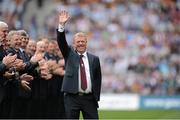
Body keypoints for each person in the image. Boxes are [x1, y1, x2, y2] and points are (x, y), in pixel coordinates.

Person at [56, 10, 102, 119]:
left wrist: (96, 97)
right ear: (74, 44)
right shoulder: (69, 54)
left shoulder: (94, 59)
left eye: (83, 41)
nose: (80, 43)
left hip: (89, 99)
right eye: (78, 42)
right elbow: (61, 41)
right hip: (72, 98)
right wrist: (61, 25)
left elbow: (98, 78)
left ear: (86, 43)